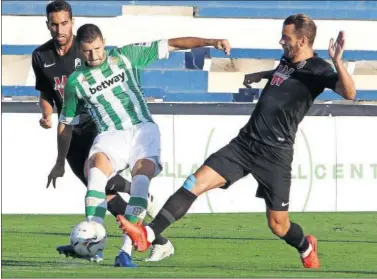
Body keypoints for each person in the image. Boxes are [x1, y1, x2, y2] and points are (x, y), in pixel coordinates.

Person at [117, 13, 356, 269]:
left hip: (275, 154)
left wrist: (338, 62)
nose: (280, 41)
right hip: (244, 144)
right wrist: (259, 75)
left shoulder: (319, 69)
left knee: (278, 225)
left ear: (302, 41)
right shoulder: (286, 61)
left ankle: (306, 246)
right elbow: (284, 75)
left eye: (286, 37)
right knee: (194, 183)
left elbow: (349, 93)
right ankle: (148, 235)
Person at [46, 22, 231, 267]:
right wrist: (60, 161)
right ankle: (93, 240)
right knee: (95, 171)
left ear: (104, 42)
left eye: (98, 48)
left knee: (140, 182)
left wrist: (211, 41)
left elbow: (172, 44)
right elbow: (65, 123)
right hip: (111, 133)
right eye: (88, 51)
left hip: (143, 129)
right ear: (80, 49)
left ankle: (125, 252)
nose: (95, 55)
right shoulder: (76, 81)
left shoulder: (125, 56)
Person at [33, 0, 173, 265]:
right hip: (74, 132)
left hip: (101, 127)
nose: (59, 28)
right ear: (48, 24)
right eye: (54, 23)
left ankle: (124, 244)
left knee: (101, 180)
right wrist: (47, 116)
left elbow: (159, 48)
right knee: (100, 188)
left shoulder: (96, 50)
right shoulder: (42, 56)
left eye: (64, 22)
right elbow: (46, 93)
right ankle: (92, 243)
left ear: (72, 22)